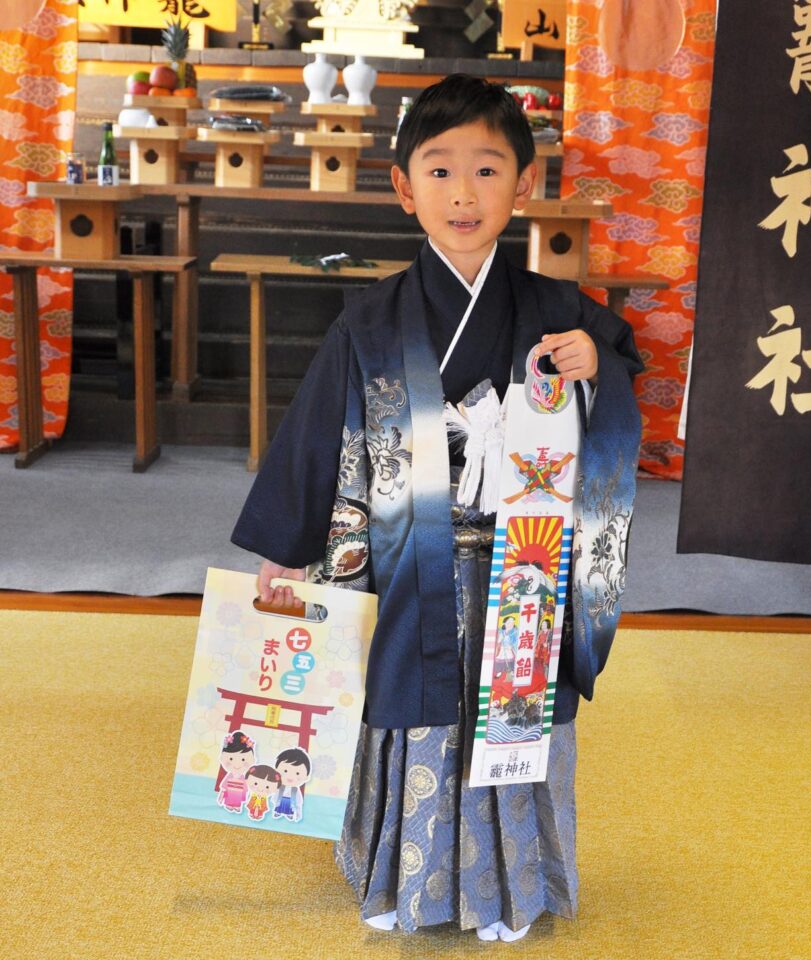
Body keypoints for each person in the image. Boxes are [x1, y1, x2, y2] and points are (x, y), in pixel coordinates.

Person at [231, 74, 642, 942]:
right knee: (407, 707)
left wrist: (596, 369)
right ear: (403, 185)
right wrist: (284, 546)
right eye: (441, 169)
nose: (465, 193)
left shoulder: (559, 311)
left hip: (519, 563)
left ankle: (510, 885)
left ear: (525, 186)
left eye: (489, 170)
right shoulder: (369, 322)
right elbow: (316, 437)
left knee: (517, 716)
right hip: (411, 558)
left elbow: (622, 386)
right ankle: (402, 877)